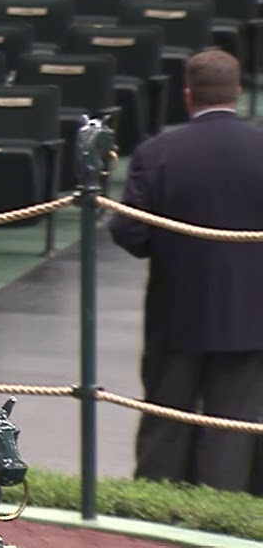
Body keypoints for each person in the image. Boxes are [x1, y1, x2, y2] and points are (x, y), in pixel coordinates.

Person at [109, 49, 263, 493]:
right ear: (237, 91)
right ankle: (218, 517)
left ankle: (155, 513)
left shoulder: (156, 152)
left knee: (164, 422)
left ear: (188, 94)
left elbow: (129, 232)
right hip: (251, 317)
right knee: (232, 429)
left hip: (176, 312)